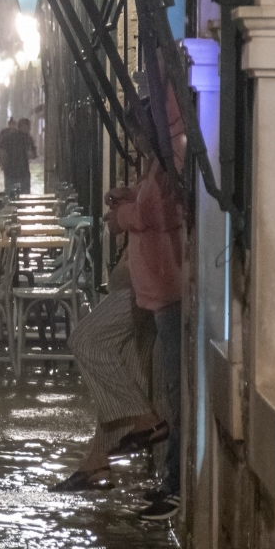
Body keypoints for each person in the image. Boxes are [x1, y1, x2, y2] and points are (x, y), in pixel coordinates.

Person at [106, 148, 185, 520]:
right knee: (172, 387)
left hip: (166, 291)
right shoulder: (160, 161)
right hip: (155, 292)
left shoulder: (174, 155)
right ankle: (169, 476)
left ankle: (174, 487)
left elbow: (154, 211)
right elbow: (151, 197)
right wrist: (130, 193)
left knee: (177, 390)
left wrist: (122, 214)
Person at [50, 251, 168, 491]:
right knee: (124, 371)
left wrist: (121, 217)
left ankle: (144, 419)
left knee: (85, 342)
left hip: (143, 281)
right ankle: (97, 460)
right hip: (145, 279)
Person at [0, 117, 35, 197]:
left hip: (10, 172)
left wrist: (2, 164)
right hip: (23, 172)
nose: (29, 129)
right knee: (25, 197)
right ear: (23, 127)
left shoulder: (8, 136)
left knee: (10, 196)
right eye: (28, 127)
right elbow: (33, 154)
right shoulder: (28, 138)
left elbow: (0, 151)